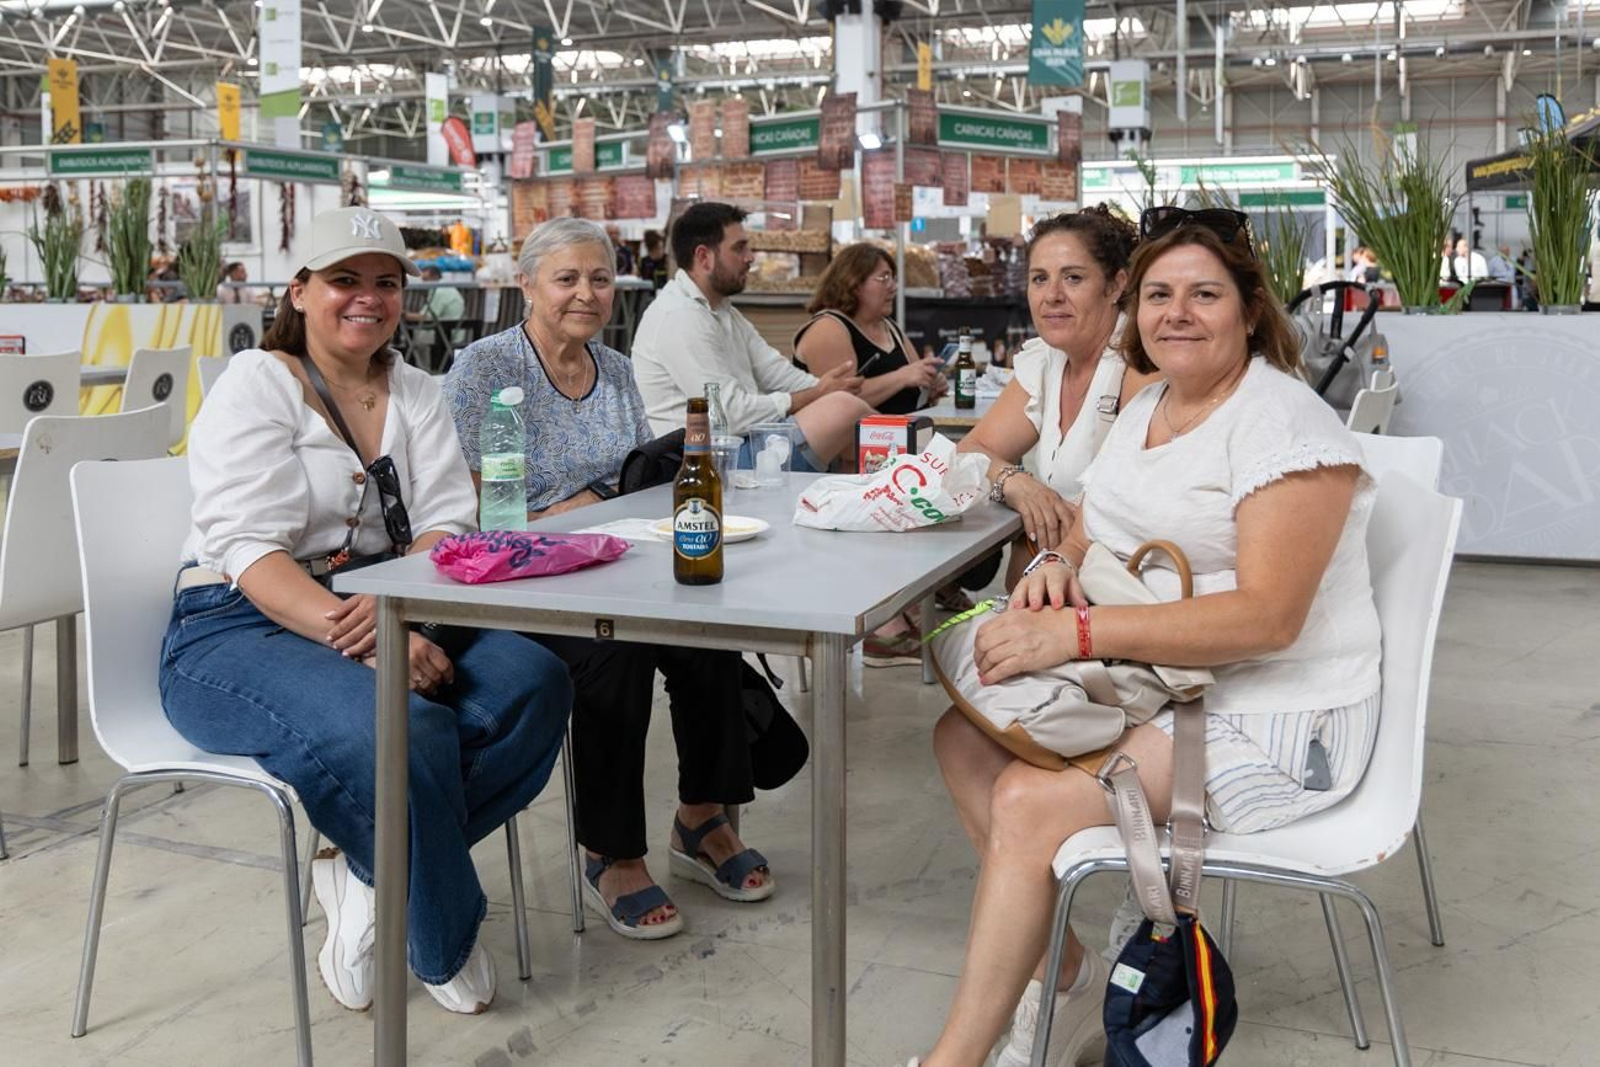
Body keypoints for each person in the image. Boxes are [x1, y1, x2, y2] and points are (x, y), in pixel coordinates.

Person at [910, 209, 1381, 1067]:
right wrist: (1056, 563)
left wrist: (1077, 631)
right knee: (962, 741)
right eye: (1161, 293)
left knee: (1026, 799)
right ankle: (1073, 974)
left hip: (1272, 710)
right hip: (1171, 677)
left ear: (1248, 306)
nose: (1177, 313)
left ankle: (957, 1060)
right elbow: (1093, 523)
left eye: (1204, 294)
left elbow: (1268, 620)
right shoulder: (1152, 401)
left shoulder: (1283, 424)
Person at [160, 206, 573, 1017]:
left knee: (536, 680)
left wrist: (402, 623)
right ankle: (441, 937)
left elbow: (449, 524)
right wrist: (375, 645)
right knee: (404, 725)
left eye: (386, 283)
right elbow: (247, 549)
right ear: (301, 291)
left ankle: (361, 867)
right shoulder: (257, 382)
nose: (367, 298)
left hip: (387, 601)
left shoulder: (418, 391)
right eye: (344, 279)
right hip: (233, 623)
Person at [443, 217, 793, 941]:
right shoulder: (485, 368)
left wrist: (609, 508)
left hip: (611, 560)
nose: (585, 293)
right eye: (566, 278)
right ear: (527, 284)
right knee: (616, 651)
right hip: (518, 579)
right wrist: (581, 507)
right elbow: (466, 502)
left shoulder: (618, 370)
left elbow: (635, 481)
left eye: (599, 278)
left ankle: (701, 815)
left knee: (704, 622)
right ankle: (610, 850)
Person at [957, 206, 1159, 587]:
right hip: (1052, 577)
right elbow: (972, 448)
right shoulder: (1047, 361)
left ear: (1115, 286)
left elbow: (1132, 502)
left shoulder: (1140, 364)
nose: (1052, 296)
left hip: (1121, 585)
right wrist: (1018, 484)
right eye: (1039, 279)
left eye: (1073, 278)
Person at [632, 201, 871, 471]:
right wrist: (816, 394)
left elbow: (775, 372)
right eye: (739, 248)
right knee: (844, 410)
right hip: (705, 466)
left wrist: (824, 388)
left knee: (845, 408)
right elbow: (728, 415)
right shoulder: (678, 316)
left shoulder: (723, 311)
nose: (750, 257)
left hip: (736, 445)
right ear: (704, 257)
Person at [793, 242, 947, 416]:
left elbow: (913, 377)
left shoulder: (890, 327)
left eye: (893, 279)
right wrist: (902, 377)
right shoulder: (828, 328)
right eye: (884, 278)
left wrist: (929, 387)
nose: (893, 287)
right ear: (853, 283)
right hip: (854, 441)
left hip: (901, 435)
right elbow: (841, 401)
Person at [405, 264, 466, 365]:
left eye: (426, 279)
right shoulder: (449, 288)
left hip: (447, 334)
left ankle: (422, 368)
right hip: (453, 331)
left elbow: (426, 317)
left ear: (435, 277)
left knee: (411, 336)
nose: (423, 283)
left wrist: (404, 315)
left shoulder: (439, 290)